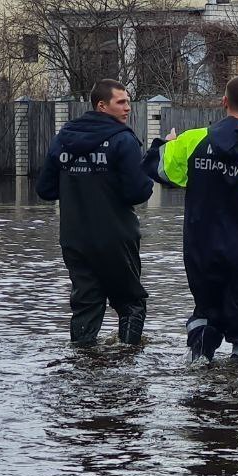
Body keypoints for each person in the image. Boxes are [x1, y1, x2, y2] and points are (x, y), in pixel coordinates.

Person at [143, 76, 238, 361]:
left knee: (206, 313)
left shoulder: (192, 141)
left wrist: (166, 143)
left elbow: (153, 166)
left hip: (199, 254)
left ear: (224, 102)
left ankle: (197, 364)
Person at [36, 78, 155, 346]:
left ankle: (82, 360)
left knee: (86, 303)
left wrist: (77, 181)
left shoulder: (64, 139)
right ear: (102, 105)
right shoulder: (123, 140)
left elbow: (45, 190)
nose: (128, 108)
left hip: (74, 238)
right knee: (131, 303)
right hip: (115, 237)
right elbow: (137, 193)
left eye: (128, 102)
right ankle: (128, 360)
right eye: (121, 102)